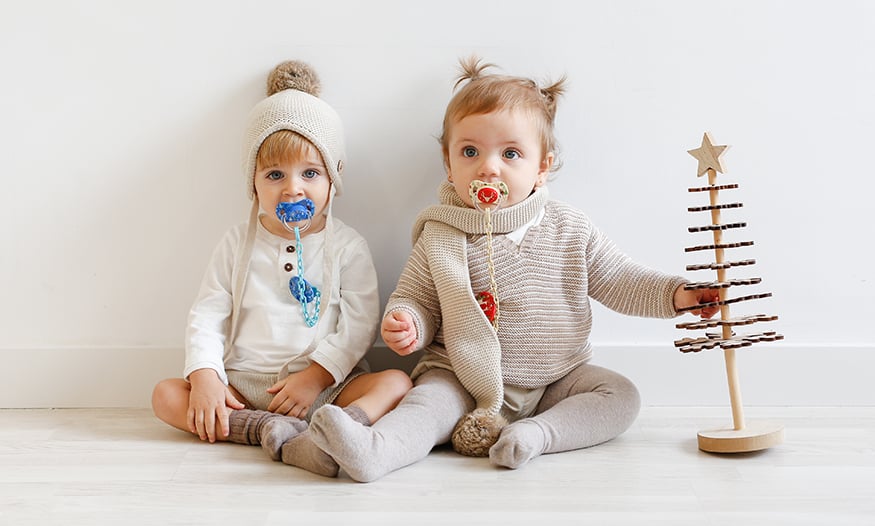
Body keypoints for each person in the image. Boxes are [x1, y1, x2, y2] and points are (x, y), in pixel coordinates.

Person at [304, 56, 720, 482]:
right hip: (459, 377)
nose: (489, 167)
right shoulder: (442, 234)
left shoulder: (569, 228)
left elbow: (620, 279)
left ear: (542, 167)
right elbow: (417, 298)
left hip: (556, 379)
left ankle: (537, 435)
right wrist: (407, 321)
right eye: (470, 151)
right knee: (425, 406)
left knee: (620, 396)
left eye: (511, 153)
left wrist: (677, 295)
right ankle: (375, 450)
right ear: (449, 163)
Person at [151, 60, 412, 477]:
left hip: (327, 385)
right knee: (166, 395)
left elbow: (360, 325)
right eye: (275, 174)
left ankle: (337, 430)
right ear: (253, 182)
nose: (293, 187)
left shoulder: (347, 246)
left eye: (310, 173)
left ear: (332, 180)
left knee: (396, 383)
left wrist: (315, 377)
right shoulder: (237, 243)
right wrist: (205, 376)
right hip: (243, 385)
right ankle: (268, 429)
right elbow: (207, 313)